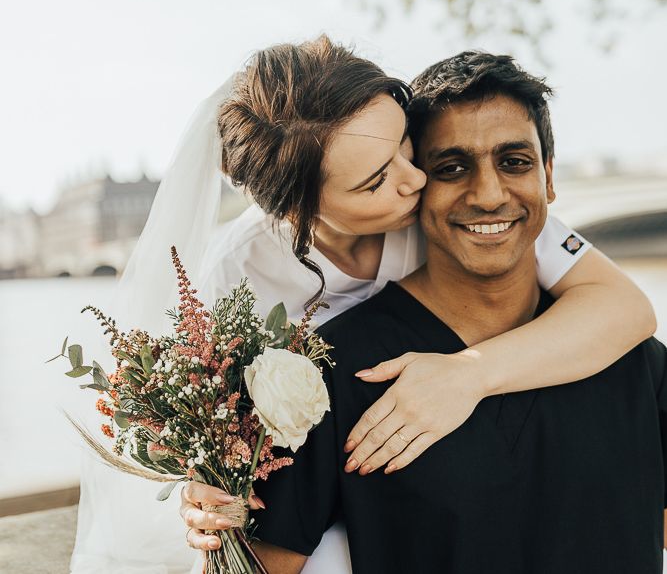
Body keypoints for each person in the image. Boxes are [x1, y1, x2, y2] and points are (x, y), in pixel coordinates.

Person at [68, 37, 653, 574]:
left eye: (406, 147)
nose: (416, 180)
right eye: (376, 181)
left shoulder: (475, 207)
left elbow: (624, 309)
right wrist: (215, 490)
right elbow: (222, 441)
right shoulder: (234, 279)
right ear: (297, 213)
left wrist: (465, 377)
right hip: (341, 473)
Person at [244, 50, 667, 574]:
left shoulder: (633, 357)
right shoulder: (324, 378)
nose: (489, 195)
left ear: (549, 178)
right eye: (451, 168)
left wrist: (472, 373)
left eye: (515, 163)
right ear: (417, 185)